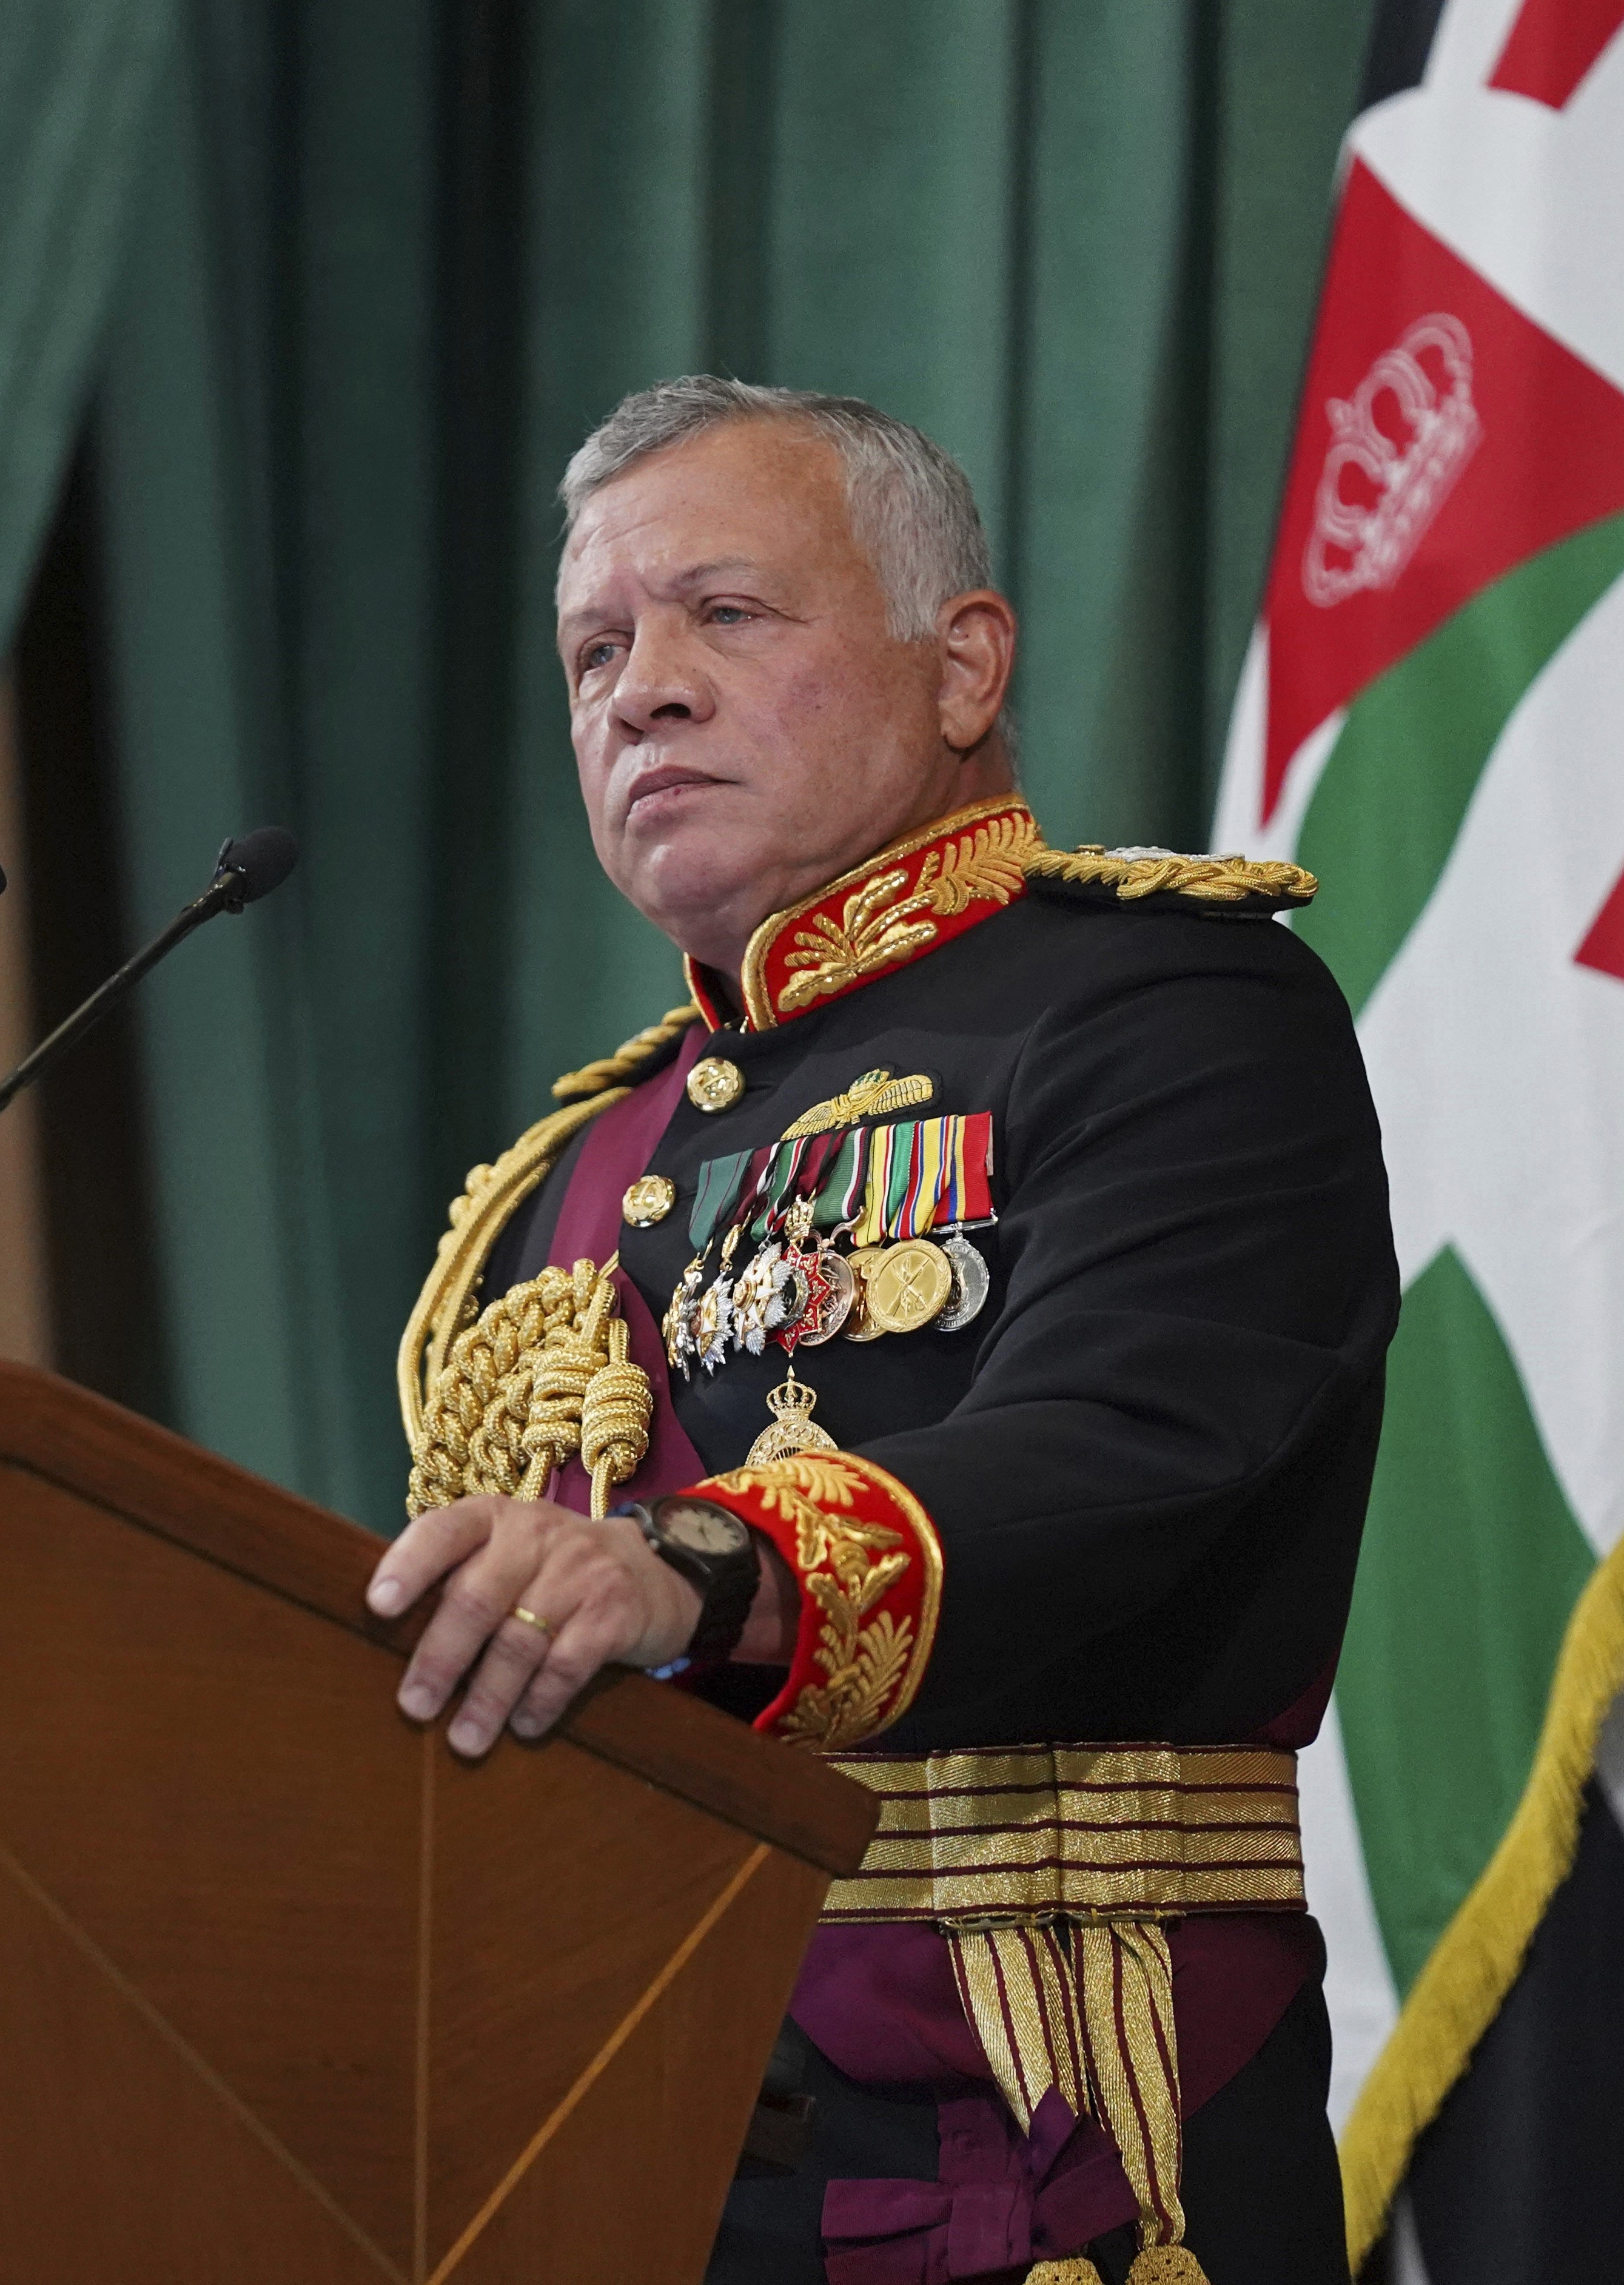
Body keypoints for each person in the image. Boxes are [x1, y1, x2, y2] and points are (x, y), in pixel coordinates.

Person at [371, 377, 1397, 2285]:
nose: (641, 692)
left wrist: (694, 1569)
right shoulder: (565, 1172)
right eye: (593, 650)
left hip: (1039, 2128)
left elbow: (1121, 1447)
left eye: (722, 614)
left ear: (962, 666)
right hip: (619, 2145)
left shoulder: (1166, 1011)